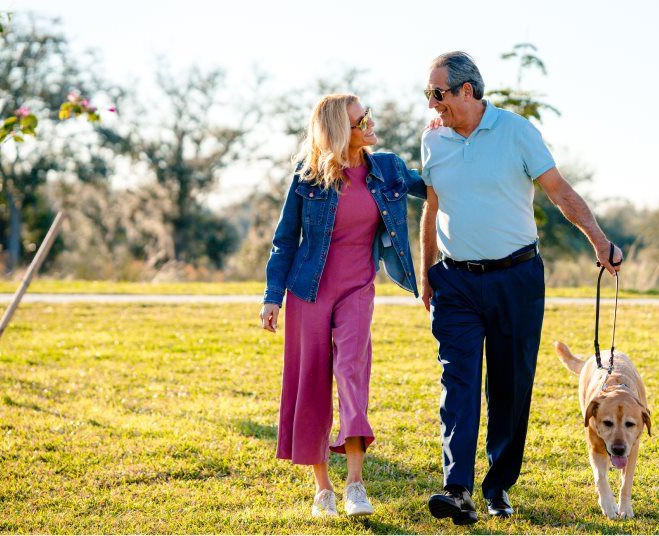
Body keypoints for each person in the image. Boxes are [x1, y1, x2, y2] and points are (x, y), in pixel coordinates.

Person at [419, 52, 624, 525]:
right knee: (459, 383)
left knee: (511, 387)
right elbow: (432, 208)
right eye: (429, 95)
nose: (432, 104)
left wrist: (600, 241)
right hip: (456, 282)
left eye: (438, 93)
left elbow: (560, 192)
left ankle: (498, 487)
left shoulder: (517, 132)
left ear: (466, 91)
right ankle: (458, 489)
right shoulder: (434, 141)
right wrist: (428, 271)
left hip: (516, 277)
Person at [260, 94, 425, 518]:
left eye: (367, 114)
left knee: (352, 373)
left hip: (357, 289)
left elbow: (430, 186)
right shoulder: (309, 176)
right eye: (360, 120)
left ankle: (355, 484)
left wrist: (439, 140)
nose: (370, 123)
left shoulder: (385, 167)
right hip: (307, 291)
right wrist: (272, 298)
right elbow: (285, 240)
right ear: (338, 131)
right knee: (311, 381)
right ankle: (323, 490)